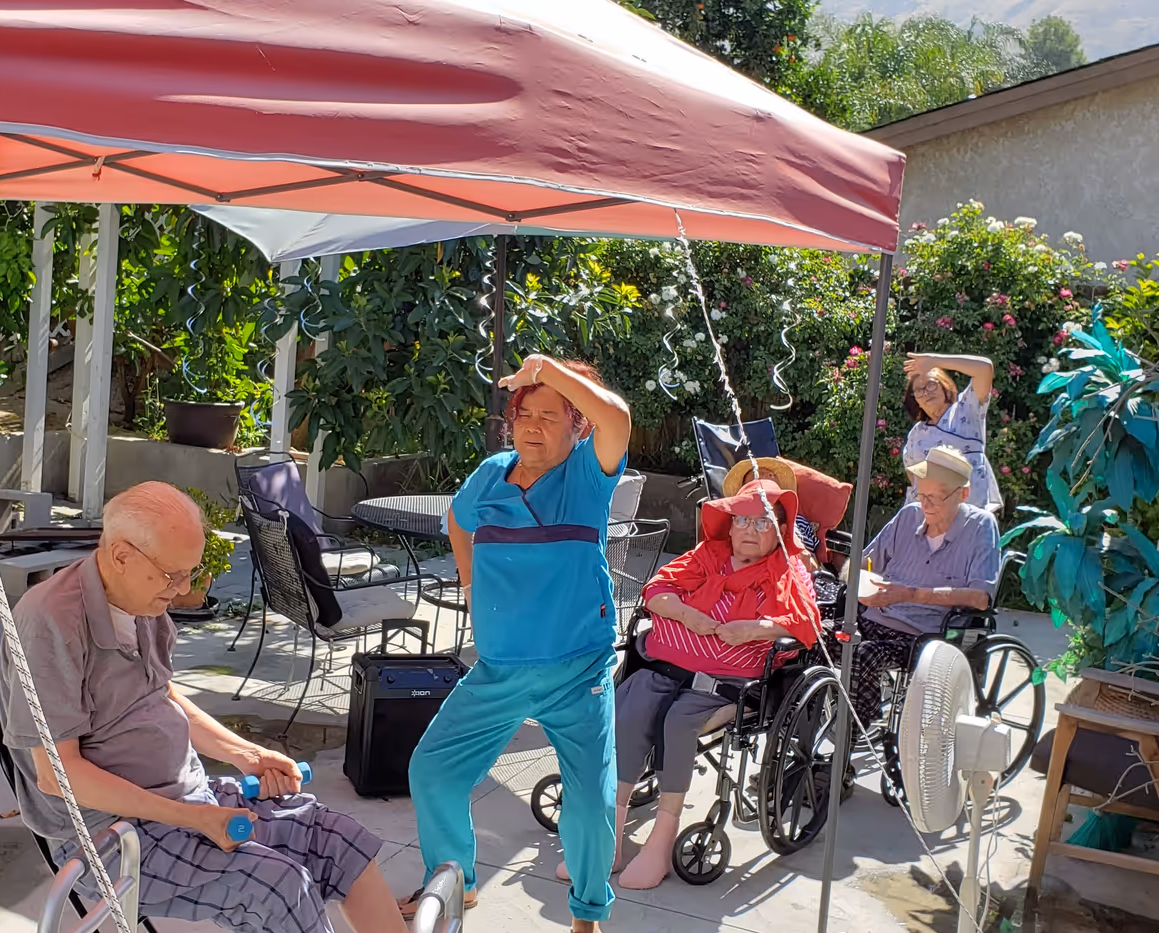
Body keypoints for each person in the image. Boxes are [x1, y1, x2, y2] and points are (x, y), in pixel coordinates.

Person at [0, 481, 404, 933]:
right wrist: (195, 818)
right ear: (121, 555)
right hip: (110, 836)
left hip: (185, 798)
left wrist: (246, 754)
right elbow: (58, 775)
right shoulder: (50, 623)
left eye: (190, 572)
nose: (184, 588)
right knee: (277, 887)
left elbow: (163, 697)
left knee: (336, 840)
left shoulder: (142, 600)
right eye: (172, 574)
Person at [405, 355, 632, 933]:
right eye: (523, 414)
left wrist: (548, 369)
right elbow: (459, 520)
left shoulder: (585, 476)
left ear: (576, 424)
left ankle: (587, 913)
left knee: (591, 804)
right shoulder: (490, 473)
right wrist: (468, 577)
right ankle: (457, 881)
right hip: (498, 671)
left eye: (549, 415)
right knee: (433, 771)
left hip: (576, 672)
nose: (531, 426)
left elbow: (619, 418)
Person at [604, 468, 819, 889]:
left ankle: (661, 839)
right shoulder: (708, 554)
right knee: (632, 703)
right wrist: (688, 614)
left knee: (679, 720)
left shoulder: (788, 569)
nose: (750, 530)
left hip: (725, 685)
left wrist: (755, 629)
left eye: (762, 522)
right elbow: (656, 590)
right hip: (668, 667)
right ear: (729, 522)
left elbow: (807, 621)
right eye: (742, 519)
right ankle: (609, 827)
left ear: (779, 530)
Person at [852, 446, 1002, 727]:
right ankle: (797, 741)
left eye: (935, 498)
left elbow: (981, 598)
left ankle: (843, 753)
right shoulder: (908, 516)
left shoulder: (981, 526)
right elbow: (860, 565)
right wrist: (862, 584)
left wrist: (911, 594)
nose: (926, 505)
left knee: (863, 656)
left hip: (923, 636)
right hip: (873, 620)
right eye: (921, 495)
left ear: (963, 494)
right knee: (811, 639)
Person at [902, 352, 1001, 513]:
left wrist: (935, 361)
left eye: (932, 384)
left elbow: (985, 368)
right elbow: (913, 475)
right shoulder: (916, 434)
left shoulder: (966, 409)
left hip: (968, 512)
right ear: (916, 401)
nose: (926, 392)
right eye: (919, 390)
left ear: (944, 386)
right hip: (925, 517)